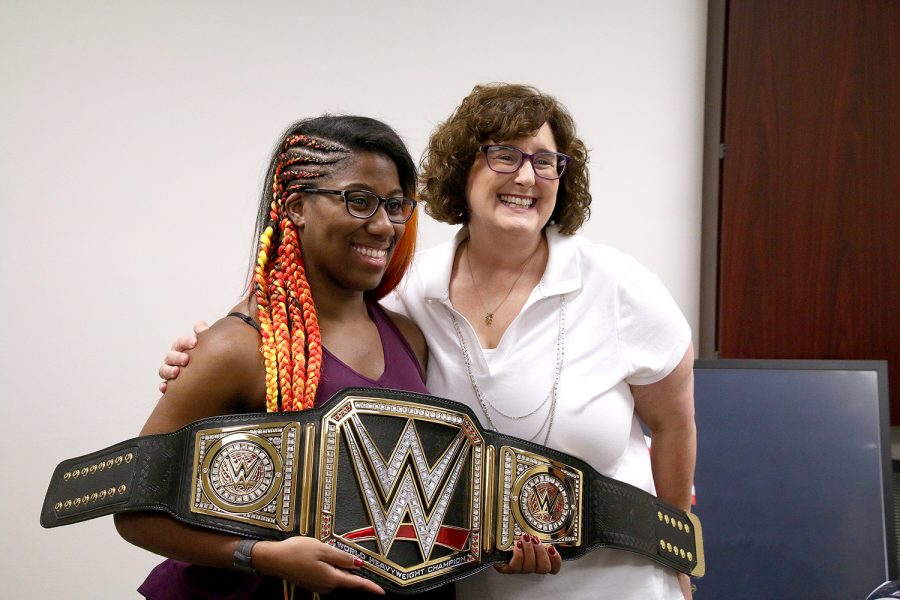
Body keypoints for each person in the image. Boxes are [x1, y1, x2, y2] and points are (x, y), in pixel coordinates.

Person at [162, 84, 696, 599]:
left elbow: (674, 424)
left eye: (545, 161)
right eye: (505, 156)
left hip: (617, 580)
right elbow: (303, 327)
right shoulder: (409, 292)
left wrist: (678, 555)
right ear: (465, 170)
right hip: (470, 586)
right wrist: (209, 344)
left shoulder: (619, 285)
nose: (527, 176)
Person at [118, 115, 455, 599]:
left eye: (396, 205)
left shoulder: (408, 336)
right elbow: (135, 509)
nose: (384, 225)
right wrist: (259, 555)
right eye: (359, 201)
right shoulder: (238, 347)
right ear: (297, 206)